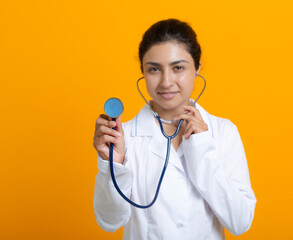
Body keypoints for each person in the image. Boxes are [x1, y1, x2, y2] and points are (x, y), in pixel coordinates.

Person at [93, 18, 257, 240]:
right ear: (143, 70)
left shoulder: (223, 132)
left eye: (178, 67)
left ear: (197, 68)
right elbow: (109, 222)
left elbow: (240, 222)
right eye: (154, 69)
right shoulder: (124, 137)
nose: (166, 82)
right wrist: (114, 164)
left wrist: (201, 149)